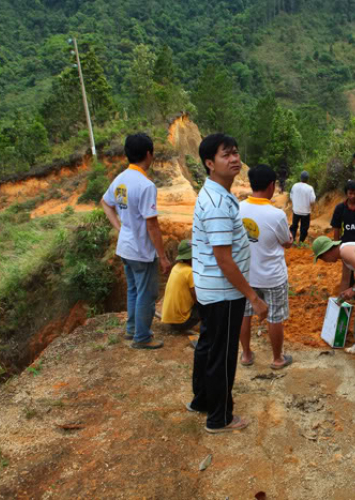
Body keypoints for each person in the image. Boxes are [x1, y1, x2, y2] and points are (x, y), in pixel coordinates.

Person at [188, 133, 269, 434]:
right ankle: (219, 417)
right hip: (224, 291)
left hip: (213, 289)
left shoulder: (215, 193)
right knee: (222, 355)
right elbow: (224, 260)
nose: (234, 159)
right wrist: (253, 297)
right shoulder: (218, 203)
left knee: (208, 345)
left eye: (236, 153)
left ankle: (201, 401)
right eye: (226, 155)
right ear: (210, 163)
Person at [101, 133, 171, 350]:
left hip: (125, 247)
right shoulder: (146, 185)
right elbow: (152, 225)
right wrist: (162, 256)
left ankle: (132, 329)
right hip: (141, 249)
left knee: (133, 289)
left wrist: (119, 227)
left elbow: (105, 203)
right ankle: (142, 337)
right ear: (149, 154)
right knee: (147, 293)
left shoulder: (120, 179)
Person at [239, 164, 294, 370]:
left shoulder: (238, 208)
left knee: (244, 314)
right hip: (272, 276)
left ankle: (245, 354)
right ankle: (277, 358)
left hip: (245, 276)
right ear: (271, 186)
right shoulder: (276, 215)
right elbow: (286, 241)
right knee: (275, 316)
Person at [161, 239, 200, 333]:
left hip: (169, 319)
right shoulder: (190, 272)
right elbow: (197, 298)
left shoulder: (177, 267)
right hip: (182, 322)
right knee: (207, 303)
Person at [289, 170, 316, 243]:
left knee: (294, 226)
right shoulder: (310, 188)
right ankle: (301, 242)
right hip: (306, 212)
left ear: (300, 178)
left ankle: (292, 240)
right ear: (307, 179)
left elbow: (291, 196)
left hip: (296, 211)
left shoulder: (295, 186)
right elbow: (313, 200)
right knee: (304, 228)